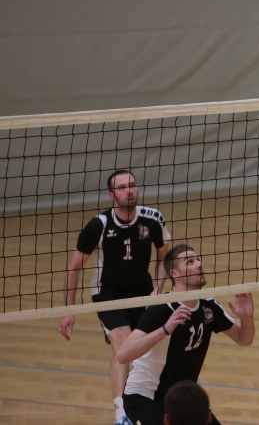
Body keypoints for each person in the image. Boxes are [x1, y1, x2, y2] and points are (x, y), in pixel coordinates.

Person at [59, 169, 171, 425]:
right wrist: (68, 310)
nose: (129, 191)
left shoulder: (153, 218)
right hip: (108, 294)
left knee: (151, 349)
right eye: (122, 187)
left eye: (132, 185)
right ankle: (121, 413)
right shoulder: (99, 225)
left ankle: (151, 401)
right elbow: (74, 266)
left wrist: (158, 289)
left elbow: (164, 256)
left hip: (143, 292)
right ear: (112, 195)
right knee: (124, 348)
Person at [116, 244, 255, 425]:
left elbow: (244, 339)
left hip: (182, 398)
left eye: (198, 259)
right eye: (190, 262)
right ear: (175, 274)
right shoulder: (162, 308)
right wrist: (165, 329)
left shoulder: (209, 306)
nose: (199, 264)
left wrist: (247, 317)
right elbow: (123, 355)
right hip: (146, 397)